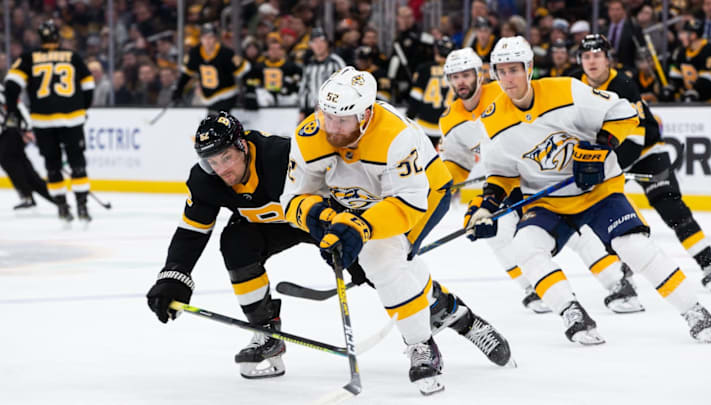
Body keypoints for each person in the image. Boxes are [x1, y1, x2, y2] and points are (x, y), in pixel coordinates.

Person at [466, 36, 711, 345]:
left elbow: (625, 113)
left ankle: (694, 310)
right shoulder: (491, 122)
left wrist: (602, 147)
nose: (508, 78)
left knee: (632, 246)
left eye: (514, 69)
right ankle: (571, 311)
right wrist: (486, 207)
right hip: (549, 202)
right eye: (501, 71)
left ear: (529, 68)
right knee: (524, 248)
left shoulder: (566, 90)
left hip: (598, 192)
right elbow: (501, 174)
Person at [280, 67, 513, 395]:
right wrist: (322, 218)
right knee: (388, 265)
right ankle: (458, 315)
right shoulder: (309, 135)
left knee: (381, 259)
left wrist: (358, 228)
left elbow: (407, 204)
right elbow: (292, 199)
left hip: (423, 196)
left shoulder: (394, 135)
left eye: (342, 120)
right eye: (326, 116)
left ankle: (421, 345)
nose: (331, 128)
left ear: (365, 115)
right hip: (359, 201)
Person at [145, 111, 370, 379]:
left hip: (318, 217)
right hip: (266, 228)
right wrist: (174, 275)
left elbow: (343, 187)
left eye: (226, 157)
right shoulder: (205, 181)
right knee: (235, 242)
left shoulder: (281, 156)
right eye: (212, 162)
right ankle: (266, 333)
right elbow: (192, 232)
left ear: (243, 146)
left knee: (376, 263)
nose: (222, 169)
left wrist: (352, 237)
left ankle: (425, 305)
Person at [440, 48, 642, 315]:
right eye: (455, 77)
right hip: (506, 184)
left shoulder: (504, 92)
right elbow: (456, 162)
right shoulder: (450, 120)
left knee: (575, 233)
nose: (461, 82)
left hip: (538, 177)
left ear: (480, 74)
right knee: (500, 236)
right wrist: (440, 185)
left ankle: (616, 281)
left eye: (466, 74)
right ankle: (533, 286)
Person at [578, 33, 711, 291]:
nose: (592, 61)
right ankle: (625, 268)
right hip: (608, 155)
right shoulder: (575, 85)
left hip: (646, 151)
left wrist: (606, 168)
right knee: (607, 214)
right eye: (586, 56)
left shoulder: (622, 85)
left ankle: (710, 264)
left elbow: (635, 140)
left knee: (670, 205)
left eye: (597, 55)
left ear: (607, 58)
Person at [4, 19, 95, 223]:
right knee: (77, 164)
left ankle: (62, 207)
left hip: (43, 121)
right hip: (72, 119)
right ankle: (82, 206)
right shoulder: (72, 56)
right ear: (57, 36)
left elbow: (11, 84)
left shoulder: (28, 58)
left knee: (52, 166)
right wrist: (83, 107)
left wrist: (13, 113)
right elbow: (89, 85)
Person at [172, 23, 250, 112]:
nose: (207, 41)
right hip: (207, 97)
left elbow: (245, 71)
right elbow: (186, 74)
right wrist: (178, 90)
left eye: (210, 37)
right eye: (205, 37)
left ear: (215, 39)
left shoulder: (226, 53)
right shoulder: (195, 53)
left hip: (226, 94)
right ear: (201, 39)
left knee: (218, 119)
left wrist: (249, 91)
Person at [0, 83, 54, 209]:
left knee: (12, 163)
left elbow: (16, 105)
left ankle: (30, 195)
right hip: (6, 133)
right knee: (21, 165)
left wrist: (27, 127)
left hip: (10, 132)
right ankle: (46, 195)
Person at [406, 36, 455, 147]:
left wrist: (408, 120)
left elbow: (415, 98)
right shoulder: (457, 70)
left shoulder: (424, 69)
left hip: (424, 125)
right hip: (449, 127)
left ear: (436, 50)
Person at [297, 27, 345, 122]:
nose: (318, 45)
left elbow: (344, 86)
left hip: (332, 111)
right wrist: (302, 110)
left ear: (327, 43)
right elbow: (304, 88)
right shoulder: (309, 64)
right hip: (310, 111)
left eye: (321, 41)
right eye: (315, 42)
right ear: (311, 45)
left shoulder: (336, 62)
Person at [666, 19, 711, 102]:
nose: (680, 37)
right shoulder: (682, 51)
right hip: (693, 97)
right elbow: (676, 74)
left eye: (683, 33)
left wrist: (695, 91)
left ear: (693, 35)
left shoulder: (710, 49)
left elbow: (708, 79)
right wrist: (672, 86)